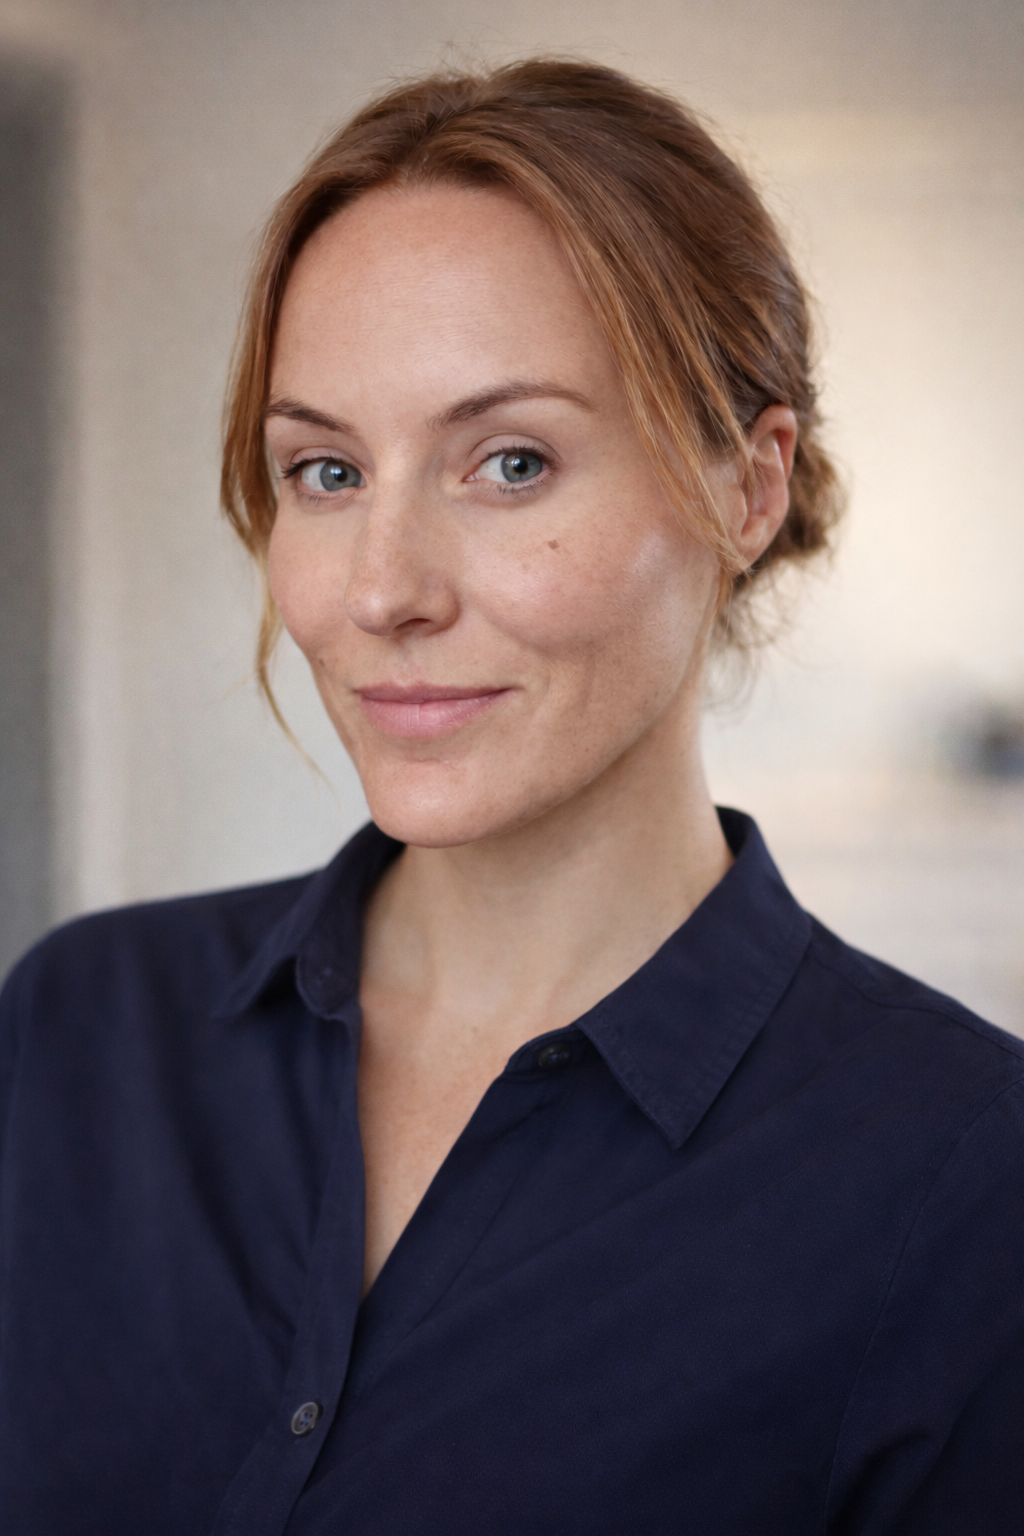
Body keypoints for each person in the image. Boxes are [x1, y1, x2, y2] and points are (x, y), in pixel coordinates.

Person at [0, 58, 1020, 1536]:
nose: (381, 592)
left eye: (512, 461)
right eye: (327, 470)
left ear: (748, 488)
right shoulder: (78, 1033)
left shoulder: (959, 1178)